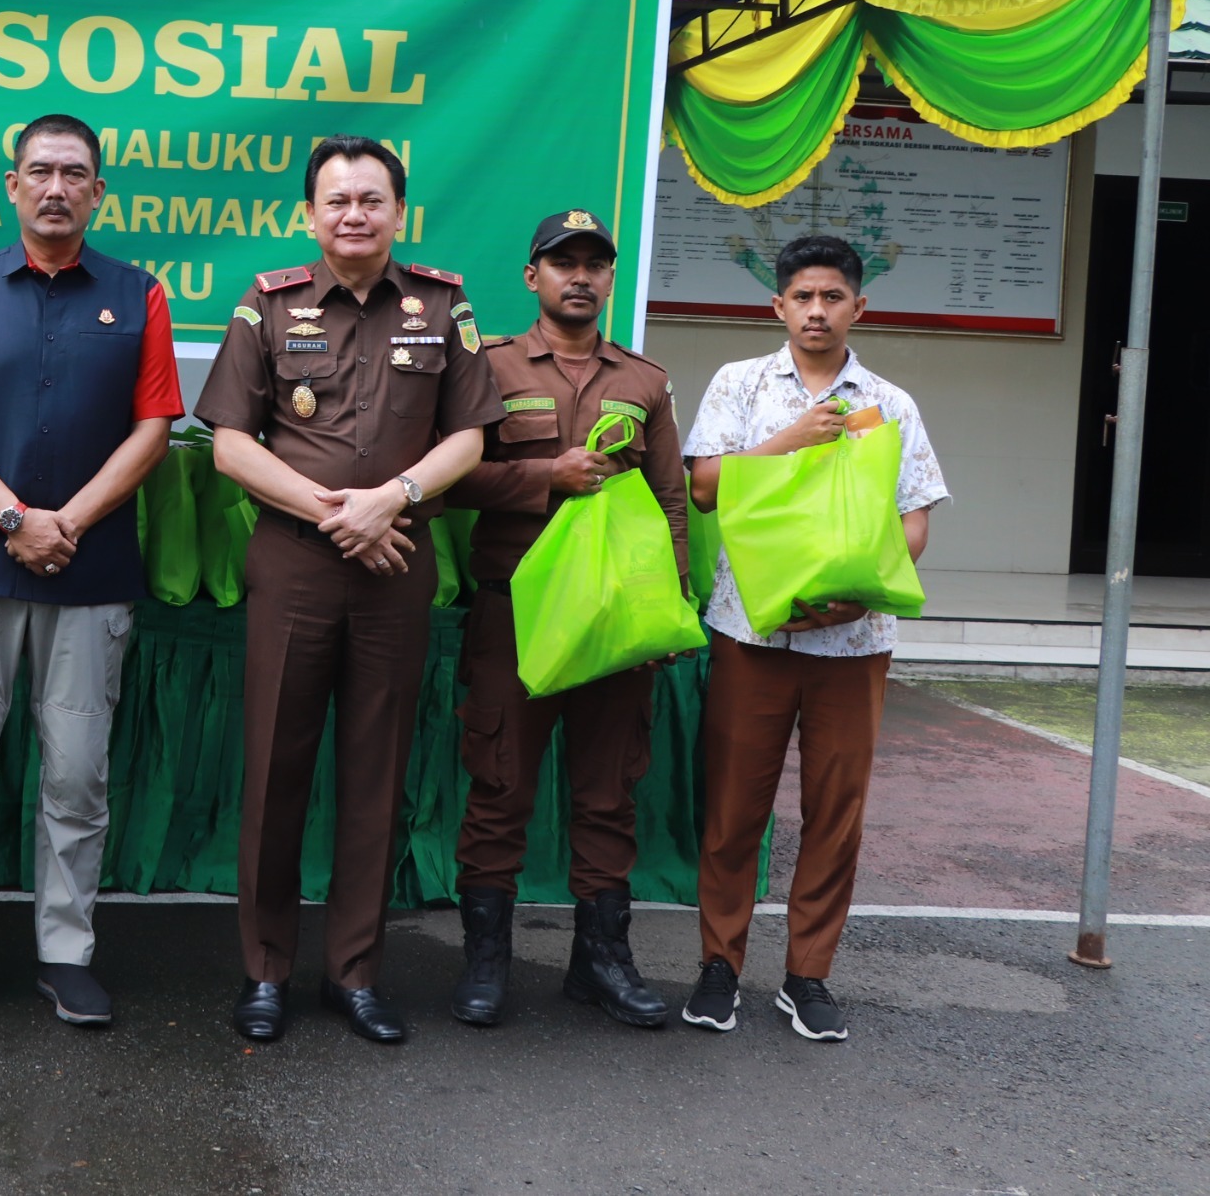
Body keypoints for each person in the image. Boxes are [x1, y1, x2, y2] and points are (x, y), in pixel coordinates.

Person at [199, 134, 500, 1045]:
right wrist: (338, 514)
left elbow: (470, 439)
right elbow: (229, 442)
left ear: (398, 212)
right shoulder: (268, 302)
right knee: (275, 773)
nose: (354, 215)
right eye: (337, 201)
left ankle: (357, 973)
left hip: (397, 562)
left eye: (371, 200)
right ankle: (264, 971)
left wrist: (392, 500)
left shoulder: (443, 306)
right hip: (296, 566)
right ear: (310, 215)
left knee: (376, 774)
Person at [0, 113, 181, 1031]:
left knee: (75, 777)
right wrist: (16, 519)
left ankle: (66, 952)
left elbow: (153, 432)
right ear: (10, 187)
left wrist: (69, 523)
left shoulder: (138, 295)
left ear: (99, 191)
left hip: (88, 572)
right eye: (39, 172)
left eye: (75, 173)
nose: (56, 187)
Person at [680, 233, 946, 1043]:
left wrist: (855, 597)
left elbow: (916, 516)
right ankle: (719, 965)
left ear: (858, 307)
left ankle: (808, 975)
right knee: (733, 805)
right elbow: (702, 487)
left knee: (836, 810)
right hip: (750, 631)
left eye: (834, 296)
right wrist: (787, 440)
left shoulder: (890, 403)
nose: (818, 310)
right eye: (804, 296)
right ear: (779, 306)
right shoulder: (740, 385)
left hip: (854, 640)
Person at [442, 210, 686, 1030]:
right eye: (561, 262)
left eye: (594, 264)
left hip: (617, 618)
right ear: (531, 277)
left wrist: (669, 606)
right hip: (517, 610)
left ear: (611, 279)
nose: (579, 276)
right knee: (500, 783)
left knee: (608, 791)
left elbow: (671, 502)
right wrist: (547, 474)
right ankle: (485, 961)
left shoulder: (645, 381)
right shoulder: (488, 365)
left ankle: (601, 961)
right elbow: (451, 479)